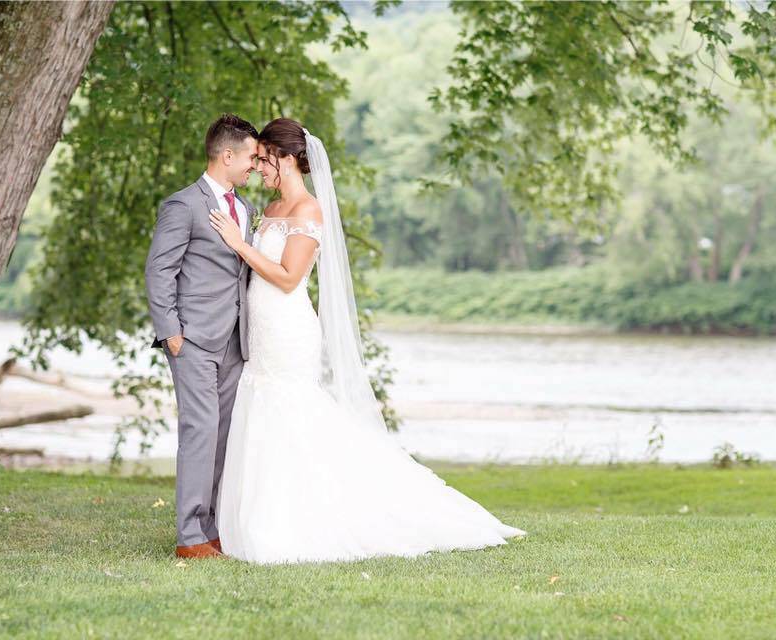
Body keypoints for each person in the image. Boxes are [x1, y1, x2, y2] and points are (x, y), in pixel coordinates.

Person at [208, 117, 526, 565]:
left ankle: (304, 520)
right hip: (260, 328)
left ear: (285, 158)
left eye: (263, 159)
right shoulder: (274, 209)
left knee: (290, 410)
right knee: (262, 409)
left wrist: (239, 244)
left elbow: (287, 276)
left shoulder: (308, 212)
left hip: (288, 327)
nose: (258, 167)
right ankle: (260, 516)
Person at [144, 113, 258, 558]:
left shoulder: (244, 209)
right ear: (226, 155)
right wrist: (171, 332)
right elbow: (159, 270)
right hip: (191, 339)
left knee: (225, 433)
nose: (254, 164)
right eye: (250, 156)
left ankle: (212, 529)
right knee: (200, 430)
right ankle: (190, 537)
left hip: (234, 341)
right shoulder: (183, 205)